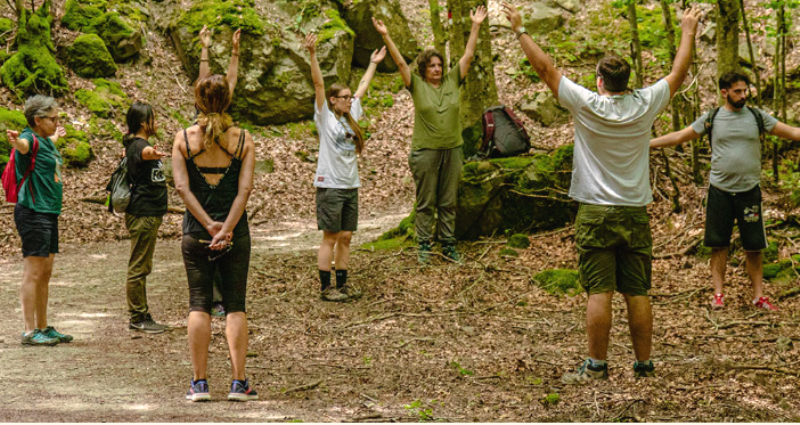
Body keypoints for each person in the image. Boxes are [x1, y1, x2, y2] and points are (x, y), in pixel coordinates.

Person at [501, 2, 701, 382]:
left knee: (600, 290)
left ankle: (596, 366)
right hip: (633, 211)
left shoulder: (588, 104)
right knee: (637, 290)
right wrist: (688, 29)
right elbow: (678, 73)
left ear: (599, 81)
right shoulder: (645, 103)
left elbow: (545, 70)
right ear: (628, 81)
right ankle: (643, 365)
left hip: (595, 211)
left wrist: (519, 29)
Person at [650, 72, 800, 311]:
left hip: (749, 192)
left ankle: (758, 296)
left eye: (745, 90)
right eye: (738, 91)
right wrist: (648, 143)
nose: (744, 95)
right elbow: (680, 136)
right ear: (724, 92)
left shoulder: (757, 117)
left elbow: (792, 132)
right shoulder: (713, 118)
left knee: (754, 246)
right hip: (720, 191)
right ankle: (718, 294)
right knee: (718, 245)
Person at [373, 6, 487, 263]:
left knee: (448, 201)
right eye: (432, 65)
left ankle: (448, 244)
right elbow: (401, 62)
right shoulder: (417, 85)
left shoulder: (452, 80)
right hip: (425, 152)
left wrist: (476, 25)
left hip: (453, 150)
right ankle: (424, 244)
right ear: (424, 69)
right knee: (426, 202)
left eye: (439, 65)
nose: (436, 69)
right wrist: (386, 35)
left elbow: (468, 55)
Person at [172, 74, 257, 401]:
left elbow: (182, 187)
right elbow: (245, 189)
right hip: (236, 233)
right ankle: (238, 383)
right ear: (228, 100)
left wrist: (208, 225)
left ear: (198, 100)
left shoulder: (183, 139)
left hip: (196, 232)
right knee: (235, 305)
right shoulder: (243, 139)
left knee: (199, 303)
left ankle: (200, 383)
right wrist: (226, 228)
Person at [303, 33, 386, 302]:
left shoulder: (352, 117)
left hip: (351, 184)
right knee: (331, 236)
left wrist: (373, 63)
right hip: (330, 185)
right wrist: (313, 54)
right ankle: (326, 288)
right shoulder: (324, 117)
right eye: (345, 97)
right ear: (334, 100)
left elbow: (362, 86)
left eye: (351, 97)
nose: (350, 100)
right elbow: (317, 83)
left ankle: (343, 284)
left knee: (347, 236)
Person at [7, 95, 72, 346]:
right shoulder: (29, 138)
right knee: (33, 272)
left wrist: (57, 137)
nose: (56, 122)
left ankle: (43, 327)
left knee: (45, 273)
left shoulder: (45, 140)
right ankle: (28, 331)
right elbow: (23, 146)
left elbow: (48, 141)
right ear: (37, 120)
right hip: (33, 211)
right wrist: (16, 142)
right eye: (52, 119)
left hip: (49, 212)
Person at [198, 24, 241, 317]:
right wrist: (207, 47)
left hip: (213, 187)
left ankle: (218, 297)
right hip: (210, 186)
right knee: (214, 232)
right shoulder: (202, 127)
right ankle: (214, 298)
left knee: (218, 232)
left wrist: (232, 52)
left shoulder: (222, 128)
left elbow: (229, 83)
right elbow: (211, 81)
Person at [122, 102, 170, 333]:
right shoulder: (139, 146)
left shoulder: (135, 145)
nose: (157, 123)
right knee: (139, 266)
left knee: (143, 265)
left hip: (148, 215)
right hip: (143, 214)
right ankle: (138, 316)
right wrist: (154, 153)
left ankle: (141, 314)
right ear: (144, 123)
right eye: (154, 119)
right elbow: (144, 153)